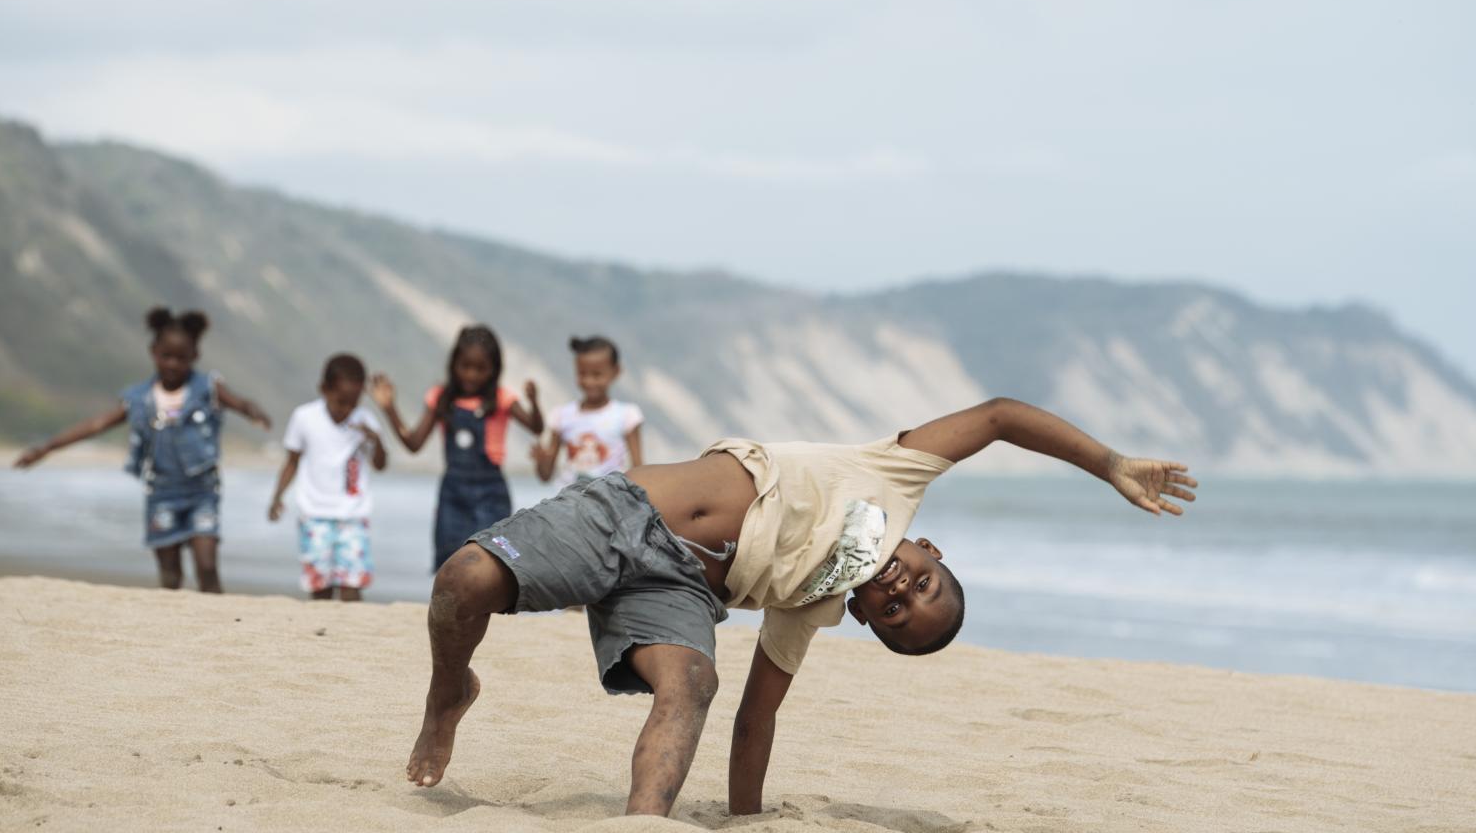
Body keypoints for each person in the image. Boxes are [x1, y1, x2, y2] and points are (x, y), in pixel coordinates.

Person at [403, 397, 1198, 816]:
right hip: (622, 517)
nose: (898, 592)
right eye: (920, 584)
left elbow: (757, 720)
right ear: (933, 553)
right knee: (464, 582)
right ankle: (449, 694)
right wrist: (1108, 463)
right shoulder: (898, 475)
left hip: (678, 593)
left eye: (895, 613)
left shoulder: (811, 605)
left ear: (862, 618)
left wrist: (747, 820)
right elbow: (998, 418)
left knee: (693, 685)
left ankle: (643, 821)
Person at [13, 307, 272, 592]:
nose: (173, 364)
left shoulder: (207, 388)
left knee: (207, 566)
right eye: (166, 356)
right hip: (161, 493)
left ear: (194, 356)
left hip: (202, 492)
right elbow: (96, 424)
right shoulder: (138, 398)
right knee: (170, 573)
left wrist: (254, 412)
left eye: (181, 358)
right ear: (153, 352)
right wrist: (46, 448)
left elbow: (240, 403)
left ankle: (222, 622)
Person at [370, 324, 544, 571]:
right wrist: (390, 409)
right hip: (453, 491)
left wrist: (534, 402)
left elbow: (536, 428)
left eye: (480, 369)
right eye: (465, 366)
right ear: (454, 365)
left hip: (491, 491)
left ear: (494, 370)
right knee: (451, 558)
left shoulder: (502, 399)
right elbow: (414, 444)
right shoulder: (441, 398)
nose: (471, 375)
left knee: (493, 559)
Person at [267, 353, 388, 601]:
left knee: (352, 585)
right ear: (324, 389)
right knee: (319, 586)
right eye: (341, 401)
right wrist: (277, 497)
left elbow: (381, 464)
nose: (347, 409)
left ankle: (350, 635)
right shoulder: (305, 417)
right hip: (314, 516)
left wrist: (374, 440)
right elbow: (291, 462)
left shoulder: (365, 420)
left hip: (353, 516)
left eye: (353, 403)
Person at [531, 335, 644, 487]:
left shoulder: (626, 416)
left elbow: (639, 469)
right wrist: (541, 462)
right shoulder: (562, 416)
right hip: (569, 502)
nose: (589, 381)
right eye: (582, 374)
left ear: (616, 371)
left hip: (610, 500)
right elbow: (546, 475)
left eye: (597, 375)